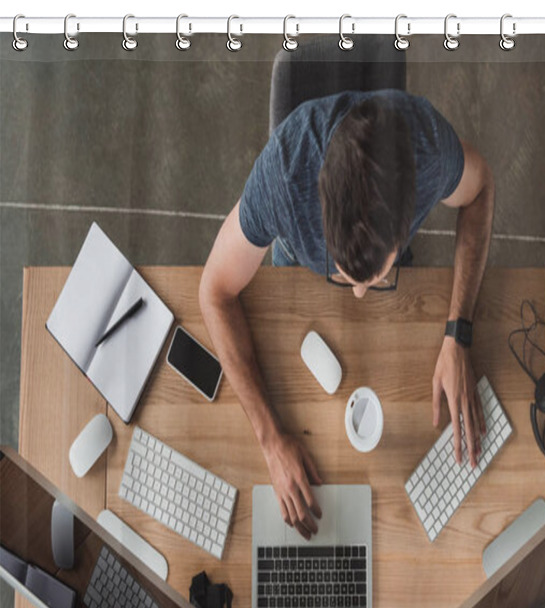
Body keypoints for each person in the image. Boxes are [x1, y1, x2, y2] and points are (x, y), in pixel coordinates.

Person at [199, 89, 494, 538]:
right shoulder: (283, 174)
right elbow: (213, 290)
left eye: (371, 278)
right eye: (345, 273)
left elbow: (481, 189)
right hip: (296, 279)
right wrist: (270, 440)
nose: (358, 295)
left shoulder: (430, 149)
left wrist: (458, 333)